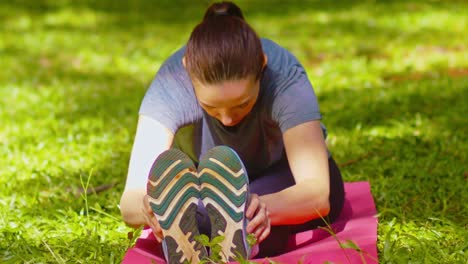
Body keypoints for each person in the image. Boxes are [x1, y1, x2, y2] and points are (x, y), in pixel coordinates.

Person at [120, 1, 345, 263]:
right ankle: (224, 232)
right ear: (187, 70)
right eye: (211, 107)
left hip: (279, 176)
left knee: (234, 216)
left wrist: (265, 208)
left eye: (242, 104)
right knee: (216, 213)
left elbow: (317, 194)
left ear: (262, 66)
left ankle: (224, 231)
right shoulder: (170, 84)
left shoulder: (284, 77)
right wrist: (150, 209)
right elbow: (130, 201)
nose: (227, 119)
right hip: (206, 184)